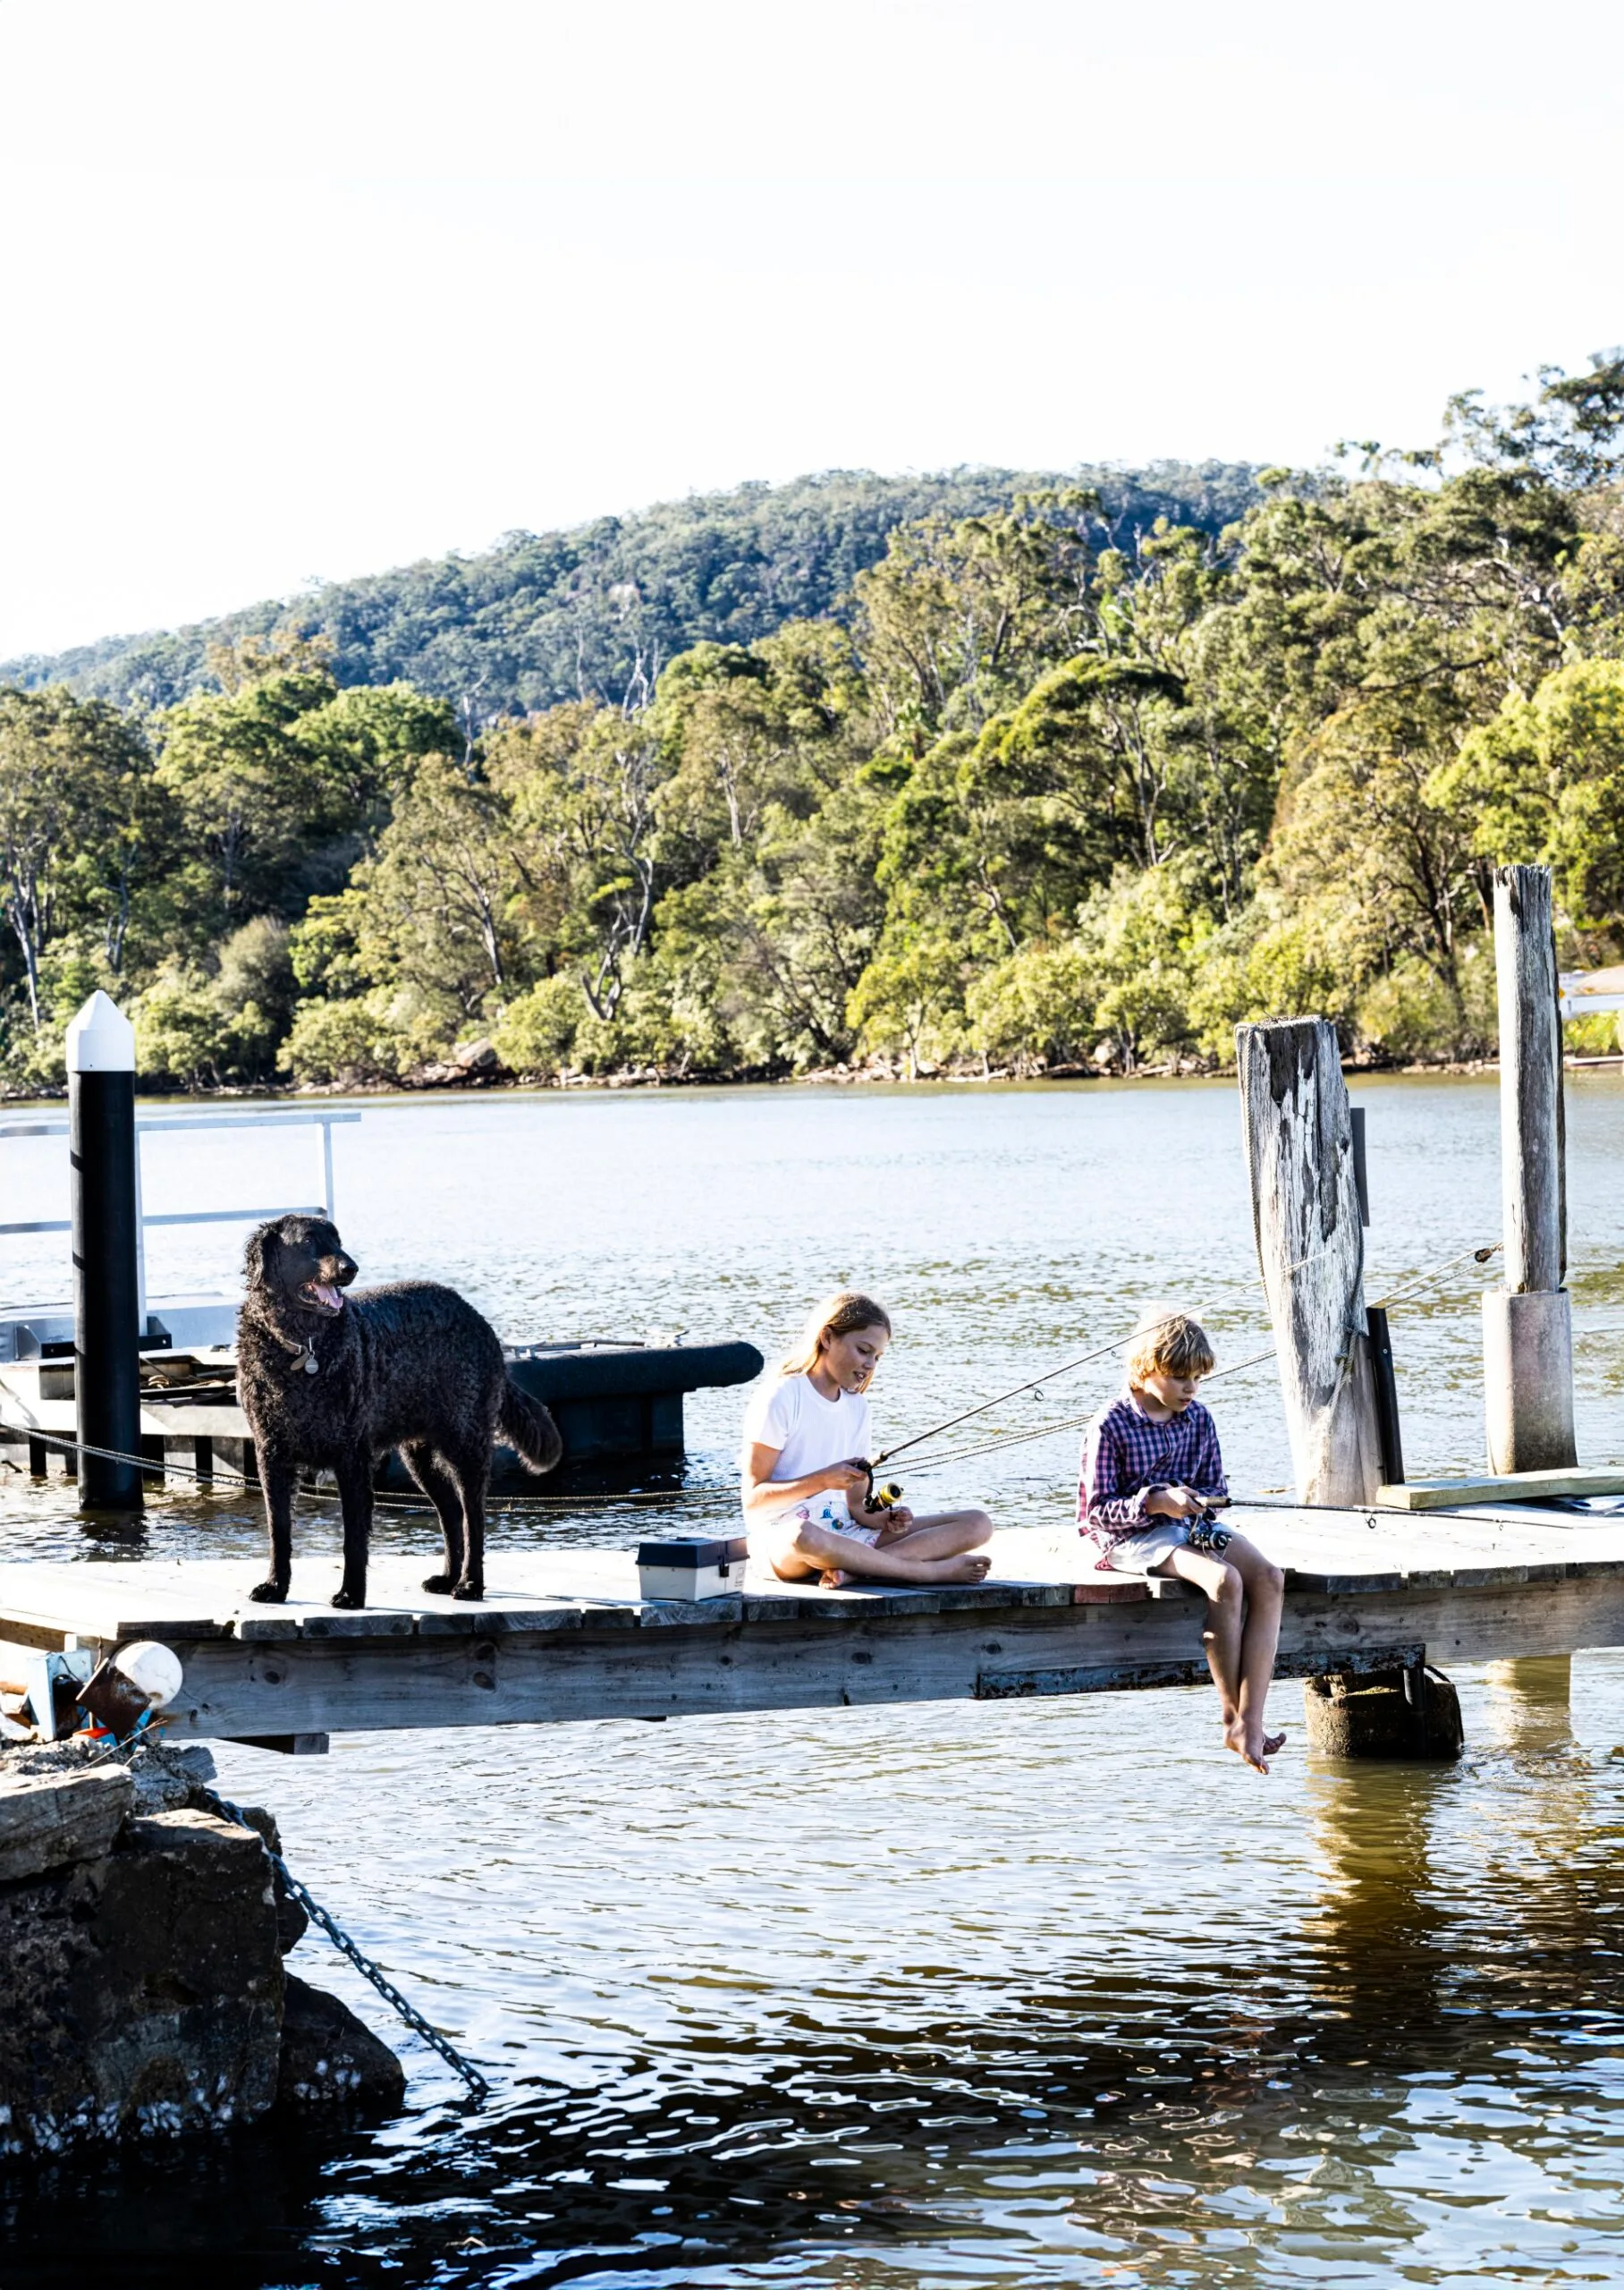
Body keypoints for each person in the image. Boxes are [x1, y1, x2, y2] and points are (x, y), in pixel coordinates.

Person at [1078, 1306, 1287, 1775]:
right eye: (1178, 1378)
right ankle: (1232, 1717)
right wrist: (1155, 1501)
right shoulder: (1111, 1423)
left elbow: (1214, 1490)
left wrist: (1200, 1502)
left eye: (1197, 1378)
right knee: (1224, 1580)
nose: (1190, 1389)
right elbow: (1097, 1514)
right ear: (1144, 1371)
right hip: (1130, 1535)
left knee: (1269, 1578)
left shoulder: (1199, 1418)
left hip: (1189, 1526)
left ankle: (1253, 1720)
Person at [742, 1289, 994, 1589]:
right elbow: (754, 1499)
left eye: (877, 1357)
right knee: (803, 1534)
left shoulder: (857, 1407)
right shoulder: (782, 1396)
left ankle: (854, 1571)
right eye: (863, 1351)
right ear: (826, 1338)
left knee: (977, 1523)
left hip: (845, 1533)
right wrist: (822, 1480)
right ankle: (925, 1572)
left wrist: (883, 1519)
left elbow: (856, 1507)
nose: (870, 1365)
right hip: (784, 1540)